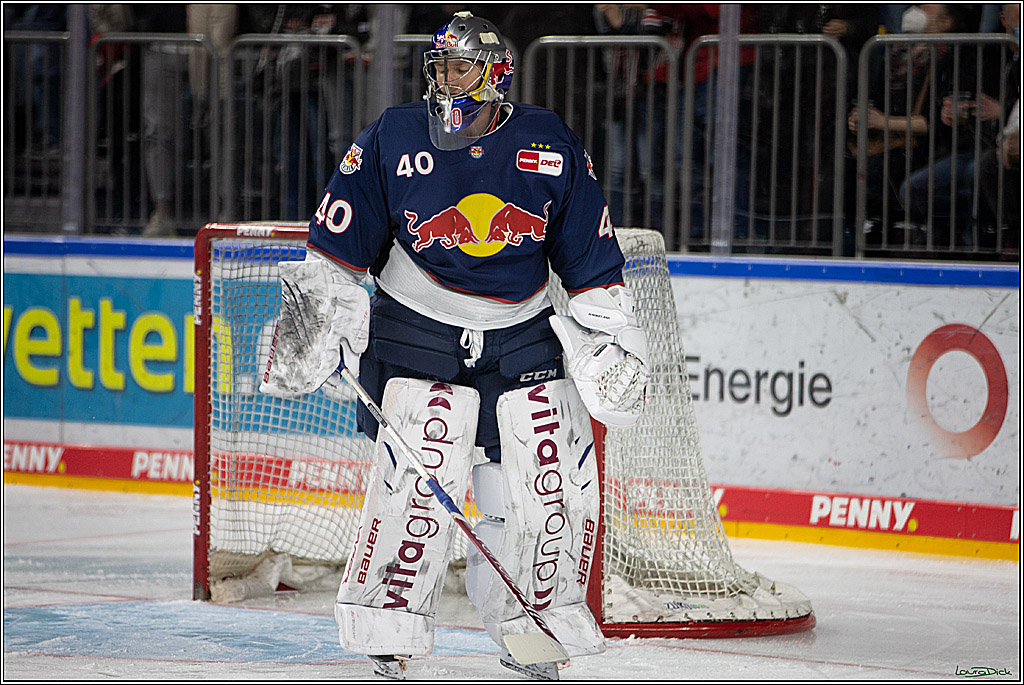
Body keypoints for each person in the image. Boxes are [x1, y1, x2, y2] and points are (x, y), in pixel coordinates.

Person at [259, 11, 650, 681]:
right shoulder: (394, 135)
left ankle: (533, 629)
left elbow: (590, 257)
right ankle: (391, 626)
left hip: (520, 336)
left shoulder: (547, 142)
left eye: (461, 66)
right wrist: (315, 318)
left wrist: (608, 336)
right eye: (440, 67)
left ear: (496, 74)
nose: (447, 79)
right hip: (416, 331)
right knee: (419, 479)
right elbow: (338, 247)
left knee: (540, 490)